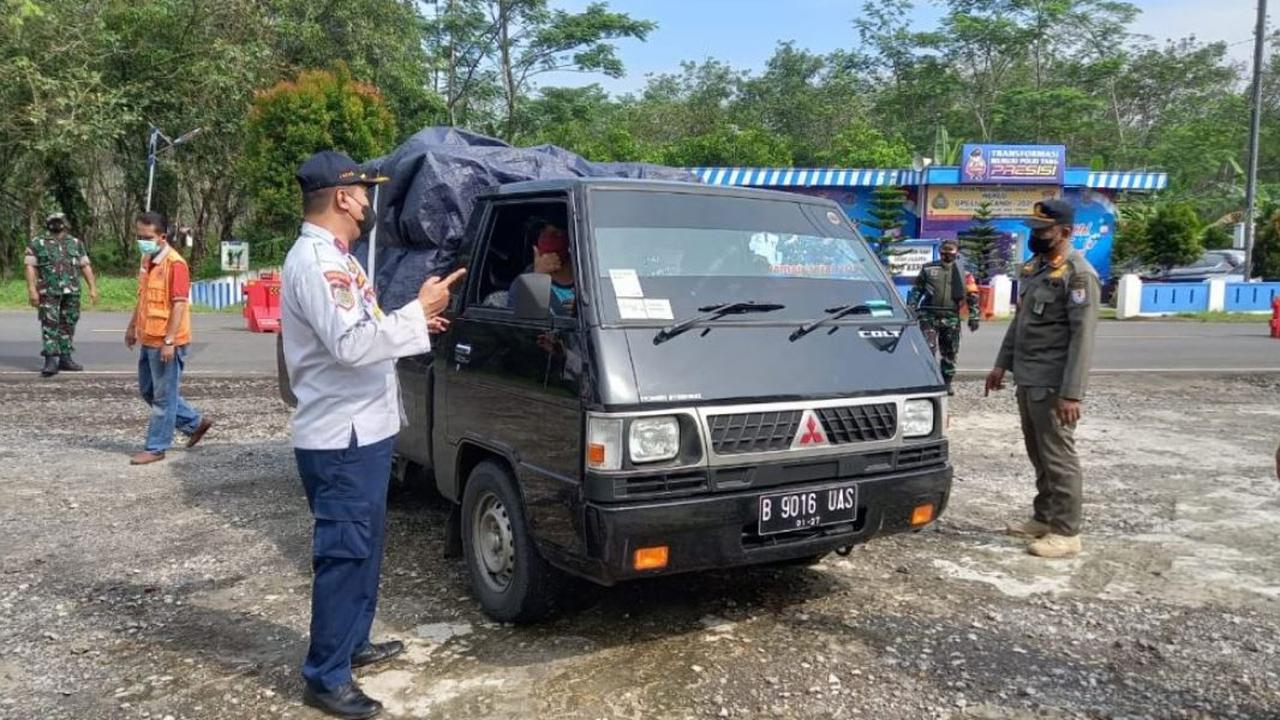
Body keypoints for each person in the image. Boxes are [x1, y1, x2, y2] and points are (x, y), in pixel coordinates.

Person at [282, 150, 463, 720]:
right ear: (342, 196)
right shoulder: (319, 264)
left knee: (364, 549)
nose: (368, 202)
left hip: (362, 431)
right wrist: (418, 307)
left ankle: (351, 643)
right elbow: (353, 346)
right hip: (341, 438)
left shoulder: (340, 258)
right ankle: (325, 676)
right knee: (345, 552)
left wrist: (412, 323)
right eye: (364, 192)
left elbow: (363, 329)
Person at [984, 199, 1099, 559]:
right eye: (1032, 229)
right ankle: (1044, 516)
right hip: (1029, 378)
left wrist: (1072, 394)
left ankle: (1067, 532)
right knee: (1039, 454)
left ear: (1065, 232)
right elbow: (1020, 324)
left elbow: (1083, 339)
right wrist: (1001, 365)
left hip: (1053, 383)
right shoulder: (1036, 269)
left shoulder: (1078, 274)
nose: (1035, 236)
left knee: (1058, 457)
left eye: (1042, 230)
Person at [125, 212, 213, 465]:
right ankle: (195, 423)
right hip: (148, 337)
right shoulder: (147, 260)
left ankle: (156, 447)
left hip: (167, 342)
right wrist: (132, 327)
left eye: (147, 237)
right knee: (148, 390)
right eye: (139, 236)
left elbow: (179, 304)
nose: (142, 241)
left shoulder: (175, 264)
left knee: (163, 398)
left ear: (162, 237)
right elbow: (142, 298)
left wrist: (169, 341)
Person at [25, 212, 99, 377]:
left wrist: (92, 287)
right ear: (47, 224)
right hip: (48, 291)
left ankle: (65, 358)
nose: (56, 224)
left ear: (65, 223)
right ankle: (50, 360)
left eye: (59, 221)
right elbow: (30, 267)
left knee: (68, 323)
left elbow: (85, 265)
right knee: (50, 324)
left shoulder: (75, 243)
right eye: (53, 222)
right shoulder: (38, 243)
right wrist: (32, 289)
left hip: (71, 291)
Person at [907, 238, 980, 394]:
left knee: (950, 351)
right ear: (940, 252)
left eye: (950, 252)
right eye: (944, 251)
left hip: (951, 316)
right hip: (929, 315)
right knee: (928, 349)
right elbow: (917, 290)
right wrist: (911, 307)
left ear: (956, 253)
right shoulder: (928, 269)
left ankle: (946, 383)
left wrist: (974, 316)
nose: (947, 255)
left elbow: (972, 295)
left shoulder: (964, 273)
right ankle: (928, 381)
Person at [530, 222, 575, 314]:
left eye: (557, 233)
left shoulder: (591, 277)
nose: (548, 239)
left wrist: (582, 311)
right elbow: (523, 324)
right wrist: (538, 278)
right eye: (543, 233)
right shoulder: (523, 285)